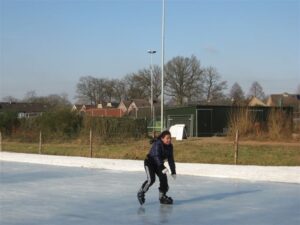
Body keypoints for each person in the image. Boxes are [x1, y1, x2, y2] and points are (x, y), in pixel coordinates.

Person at [137, 130, 176, 205]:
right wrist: (162, 166)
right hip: (150, 163)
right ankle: (141, 192)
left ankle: (162, 196)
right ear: (162, 138)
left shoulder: (170, 146)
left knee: (163, 179)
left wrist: (173, 171)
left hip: (159, 164)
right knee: (151, 179)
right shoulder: (157, 144)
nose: (169, 140)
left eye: (170, 138)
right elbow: (156, 156)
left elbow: (171, 159)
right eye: (167, 138)